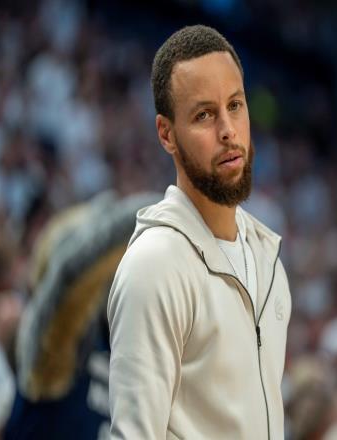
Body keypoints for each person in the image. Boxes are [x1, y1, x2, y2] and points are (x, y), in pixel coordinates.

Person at [107, 25, 292, 440]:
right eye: (204, 115)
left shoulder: (268, 258)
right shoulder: (155, 266)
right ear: (166, 134)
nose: (228, 130)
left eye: (235, 105)